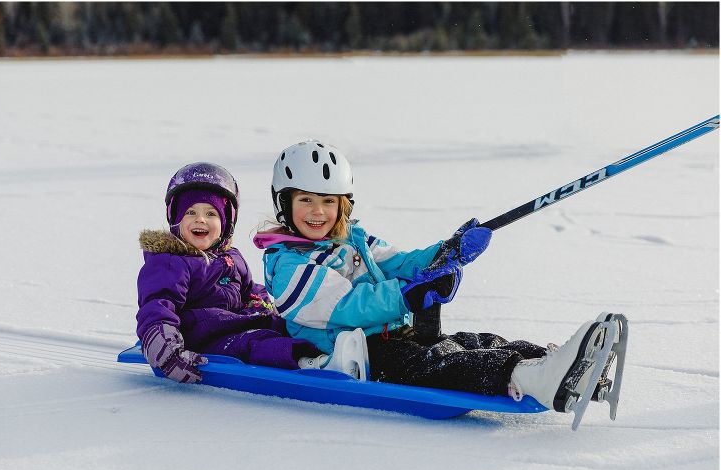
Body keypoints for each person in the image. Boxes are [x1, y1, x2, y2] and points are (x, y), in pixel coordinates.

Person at [254, 140, 620, 416]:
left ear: (342, 205)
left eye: (328, 201)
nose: (317, 212)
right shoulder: (287, 265)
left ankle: (565, 366)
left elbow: (401, 263)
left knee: (473, 343)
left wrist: (448, 252)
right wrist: (406, 295)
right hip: (356, 354)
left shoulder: (354, 239)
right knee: (442, 366)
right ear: (284, 204)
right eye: (306, 200)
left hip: (394, 334)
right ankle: (530, 377)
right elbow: (346, 307)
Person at [136, 162, 361, 384]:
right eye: (190, 212)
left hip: (240, 324)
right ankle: (318, 365)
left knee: (290, 325)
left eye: (211, 213)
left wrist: (262, 307)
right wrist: (166, 351)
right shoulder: (170, 262)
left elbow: (251, 290)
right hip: (205, 339)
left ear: (226, 223)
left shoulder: (230, 257)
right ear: (175, 219)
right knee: (257, 344)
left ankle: (340, 347)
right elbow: (157, 306)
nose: (200, 219)